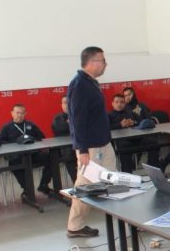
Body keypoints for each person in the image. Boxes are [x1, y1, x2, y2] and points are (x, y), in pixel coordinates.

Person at [66, 46, 117, 238]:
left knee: (113, 181)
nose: (105, 64)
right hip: (91, 148)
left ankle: (123, 219)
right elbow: (77, 119)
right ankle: (75, 227)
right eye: (103, 61)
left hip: (103, 143)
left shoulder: (91, 82)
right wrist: (82, 149)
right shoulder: (79, 84)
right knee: (85, 187)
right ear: (93, 62)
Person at [0, 103, 53, 200]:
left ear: (25, 113)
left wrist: (32, 139)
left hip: (33, 154)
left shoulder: (30, 125)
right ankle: (27, 188)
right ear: (12, 113)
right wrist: (16, 143)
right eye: (17, 113)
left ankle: (44, 184)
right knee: (14, 163)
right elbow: (1, 142)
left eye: (22, 113)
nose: (20, 115)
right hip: (17, 156)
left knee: (51, 157)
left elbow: (41, 137)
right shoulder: (6, 127)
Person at [108, 94, 159, 173]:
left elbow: (142, 122)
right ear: (112, 103)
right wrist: (120, 125)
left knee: (154, 145)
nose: (119, 104)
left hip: (136, 139)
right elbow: (106, 128)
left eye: (122, 102)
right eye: (117, 102)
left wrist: (134, 123)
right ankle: (128, 175)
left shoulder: (130, 113)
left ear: (124, 104)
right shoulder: (109, 115)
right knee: (125, 149)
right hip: (122, 141)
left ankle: (153, 172)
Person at [51, 95, 78, 183]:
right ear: (62, 105)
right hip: (67, 149)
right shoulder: (58, 118)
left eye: (69, 102)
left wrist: (71, 124)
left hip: (81, 147)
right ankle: (77, 184)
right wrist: (71, 124)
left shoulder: (79, 114)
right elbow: (59, 129)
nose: (67, 105)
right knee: (68, 155)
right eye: (65, 103)